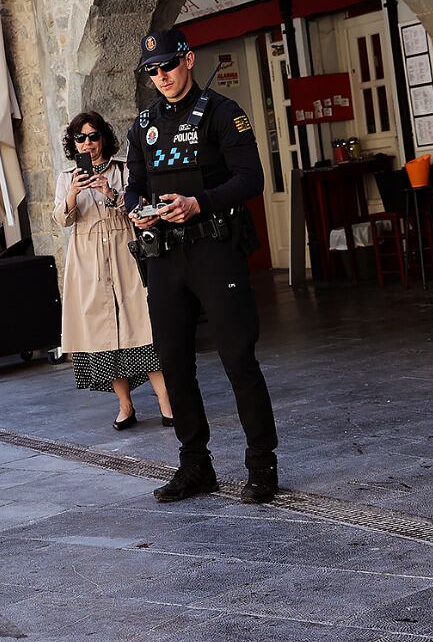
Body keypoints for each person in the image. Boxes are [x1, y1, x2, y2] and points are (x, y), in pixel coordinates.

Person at [124, 28, 278, 505]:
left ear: (188, 60)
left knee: (237, 358)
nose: (162, 76)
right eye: (152, 71)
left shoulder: (222, 113)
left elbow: (251, 178)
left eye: (168, 65)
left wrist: (200, 203)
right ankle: (195, 466)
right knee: (174, 363)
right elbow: (134, 183)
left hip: (214, 249)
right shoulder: (144, 122)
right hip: (166, 256)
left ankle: (261, 466)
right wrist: (136, 208)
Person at [54, 110, 174, 429]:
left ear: (103, 138)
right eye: (81, 138)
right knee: (105, 332)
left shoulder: (122, 170)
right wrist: (73, 193)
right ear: (74, 143)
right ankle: (125, 405)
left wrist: (110, 194)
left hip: (125, 252)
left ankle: (166, 402)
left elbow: (139, 208)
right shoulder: (67, 177)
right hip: (88, 258)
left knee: (142, 325)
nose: (88, 143)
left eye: (94, 136)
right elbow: (61, 219)